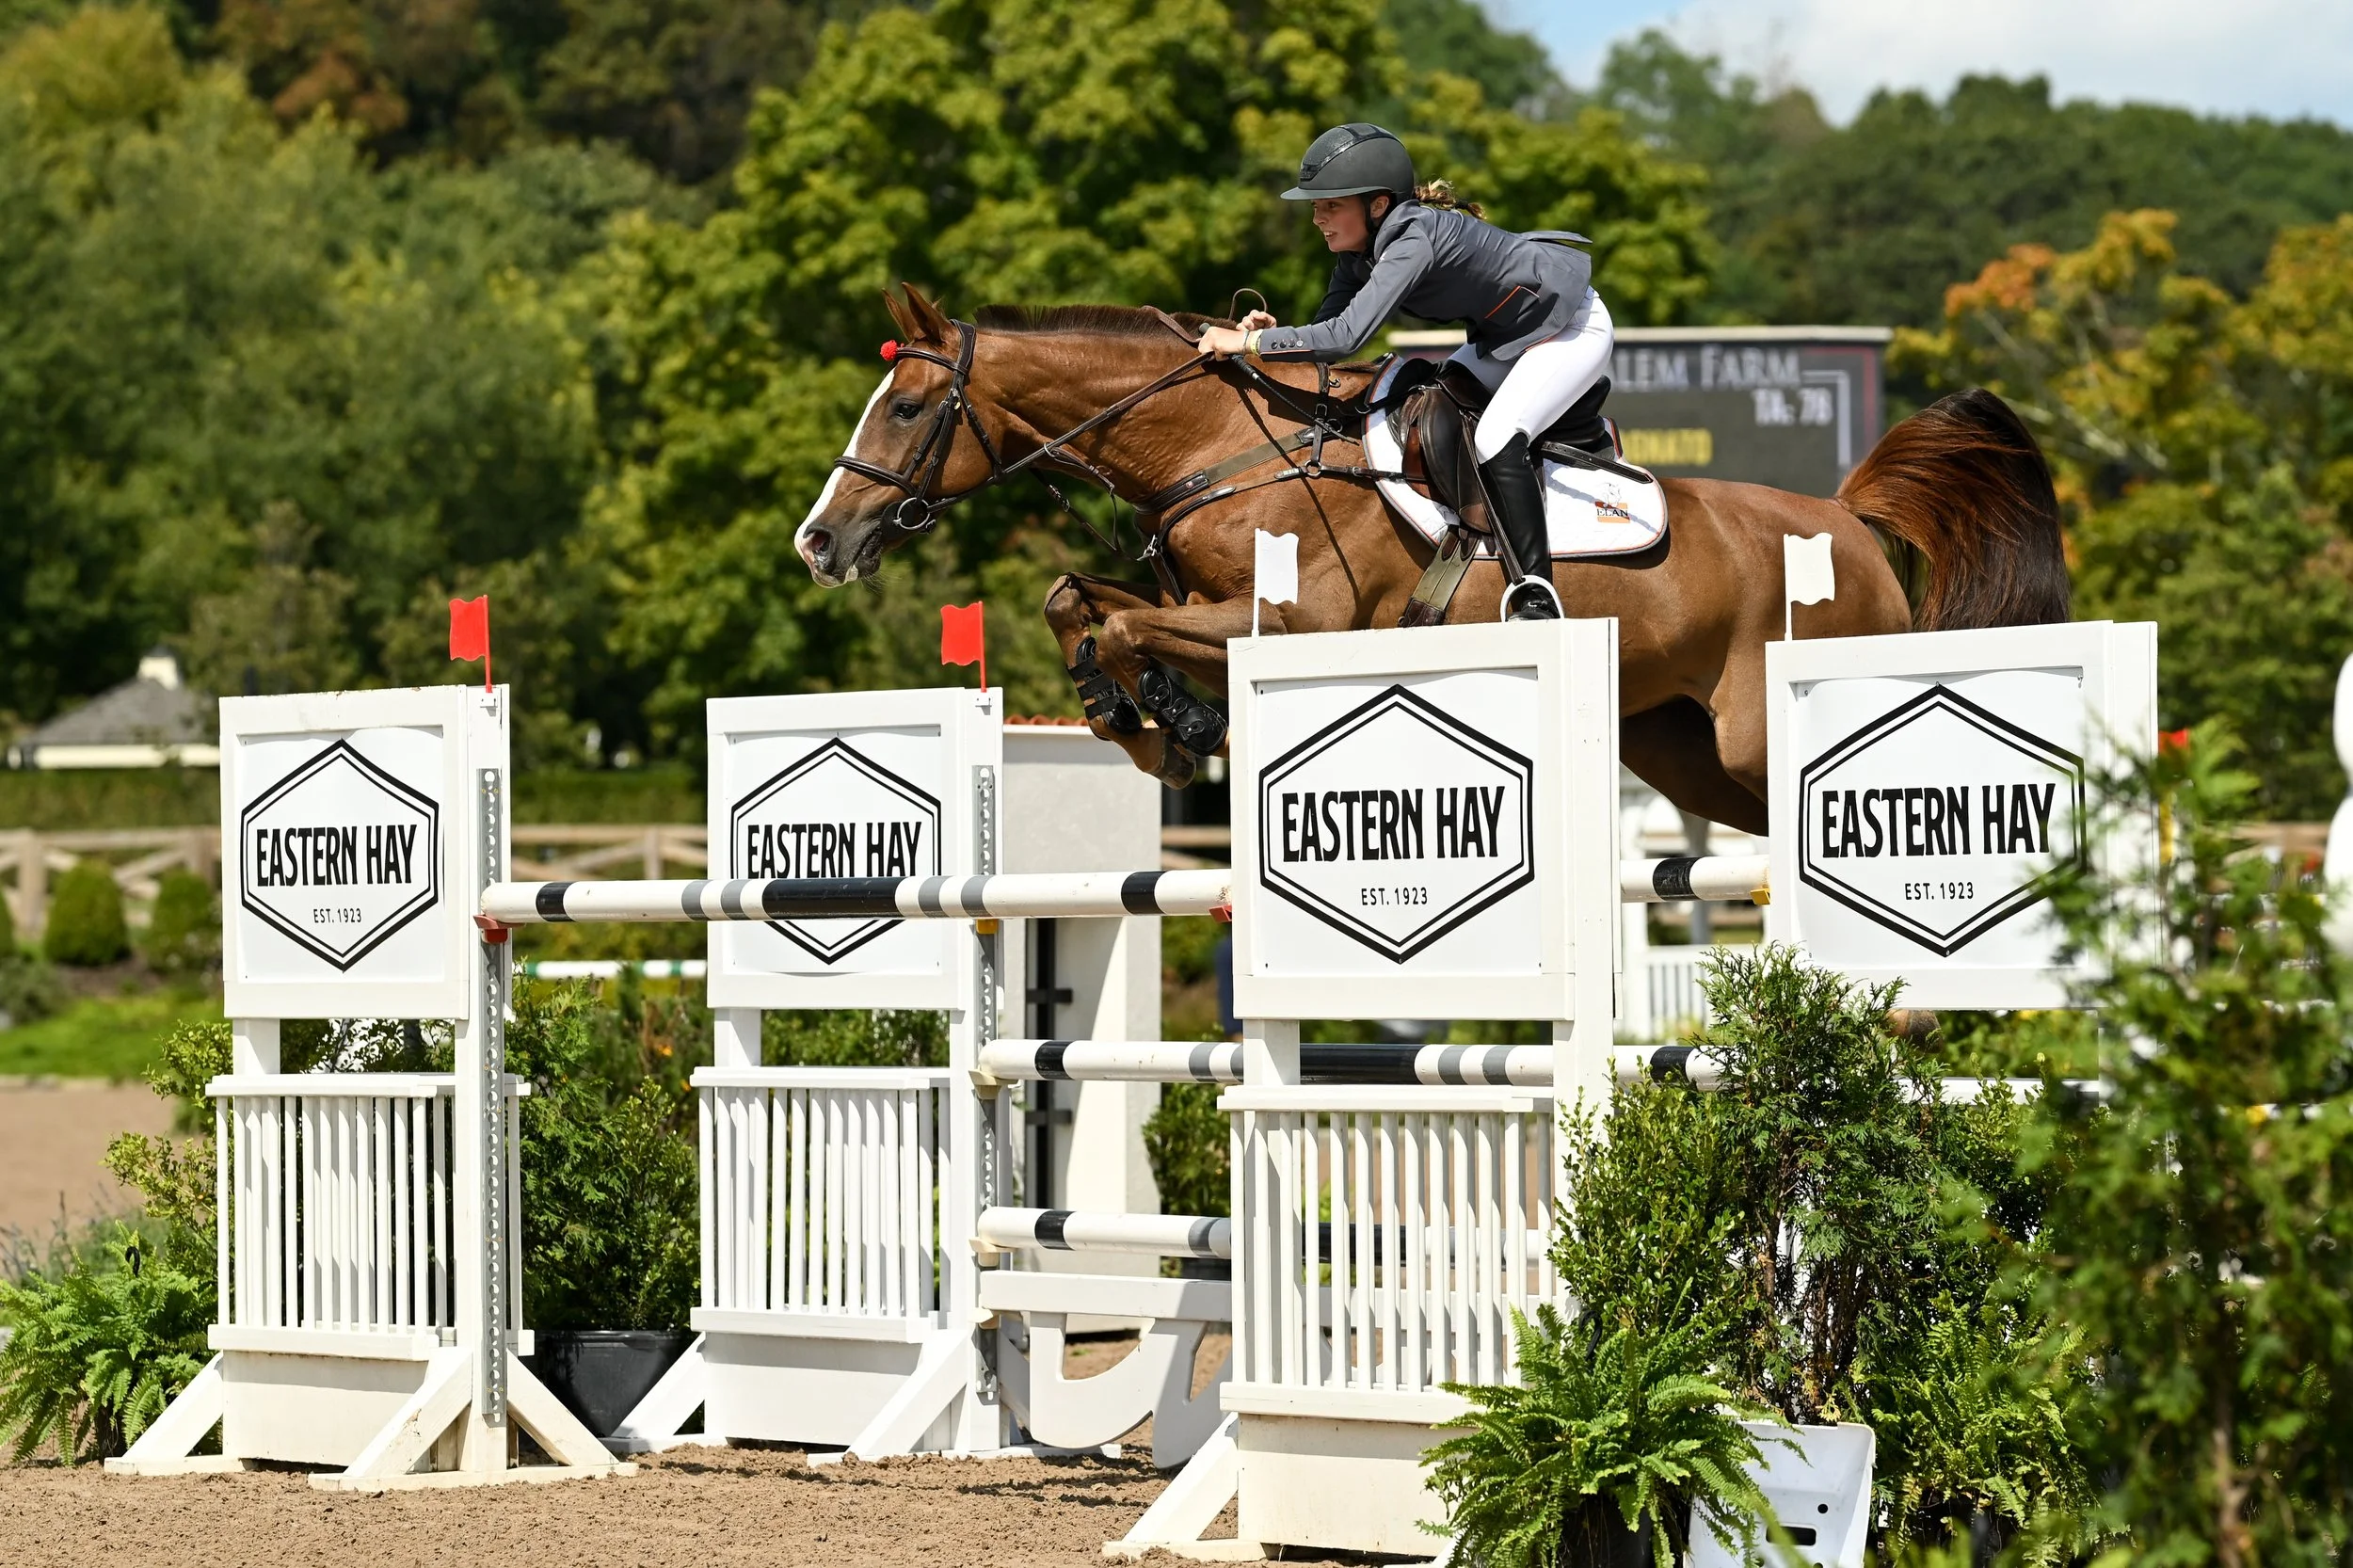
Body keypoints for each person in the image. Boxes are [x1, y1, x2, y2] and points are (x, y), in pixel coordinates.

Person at [1197, 123, 1613, 621]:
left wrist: (1247, 342)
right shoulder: (1358, 253)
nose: (1317, 218)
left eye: (1331, 205)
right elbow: (1327, 335)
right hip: (1507, 340)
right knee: (1441, 398)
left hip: (1570, 325)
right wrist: (1275, 334)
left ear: (1377, 206)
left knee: (1497, 435)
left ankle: (1537, 595)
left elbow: (1347, 338)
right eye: (1315, 206)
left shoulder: (1413, 239)